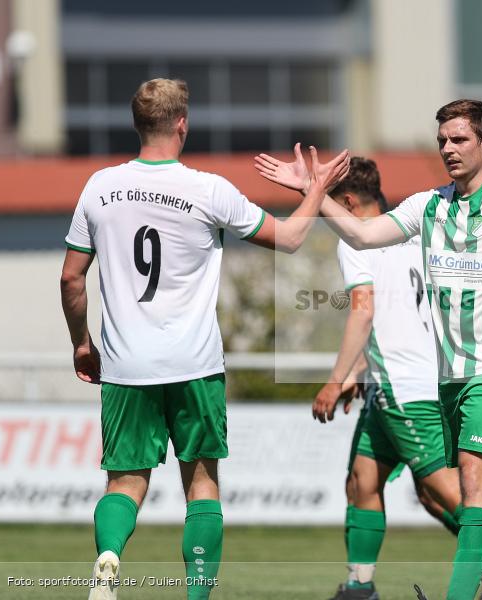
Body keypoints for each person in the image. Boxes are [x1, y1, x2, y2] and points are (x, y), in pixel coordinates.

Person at [256, 99, 482, 600]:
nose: (448, 148)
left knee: (471, 489)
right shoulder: (427, 206)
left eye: (459, 139)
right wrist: (312, 189)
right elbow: (361, 235)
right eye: (442, 141)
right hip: (446, 378)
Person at [60, 78, 349, 600]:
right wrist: (315, 190)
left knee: (125, 483)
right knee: (201, 484)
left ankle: (107, 559)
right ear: (182, 124)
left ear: (137, 124)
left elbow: (71, 279)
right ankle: (196, 595)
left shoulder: (99, 187)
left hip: (127, 367)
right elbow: (290, 238)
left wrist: (82, 342)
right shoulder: (207, 189)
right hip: (194, 364)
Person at [313, 156, 461, 600]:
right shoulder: (411, 233)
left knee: (440, 488)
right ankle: (360, 586)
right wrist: (362, 370)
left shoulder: (355, 241)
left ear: (350, 202)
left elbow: (365, 310)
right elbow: (408, 315)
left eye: (330, 208)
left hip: (404, 385)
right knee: (362, 481)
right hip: (397, 379)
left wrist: (335, 378)